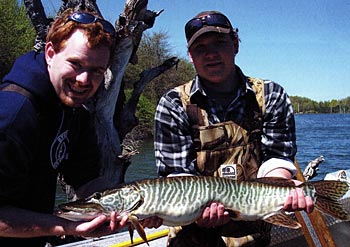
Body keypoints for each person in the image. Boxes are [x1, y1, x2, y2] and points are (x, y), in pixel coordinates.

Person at [152, 10, 314, 246]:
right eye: (200, 48)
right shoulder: (174, 104)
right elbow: (176, 177)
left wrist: (282, 189)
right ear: (190, 55)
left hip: (254, 230)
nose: (210, 54)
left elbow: (277, 157)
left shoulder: (270, 95)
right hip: (189, 234)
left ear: (235, 43)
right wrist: (196, 211)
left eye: (219, 43)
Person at [0, 9, 128, 246]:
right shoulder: (12, 115)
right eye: (76, 64)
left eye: (97, 71)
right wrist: (68, 226)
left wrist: (130, 208)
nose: (84, 80)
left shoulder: (73, 108)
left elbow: (85, 178)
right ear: (50, 53)